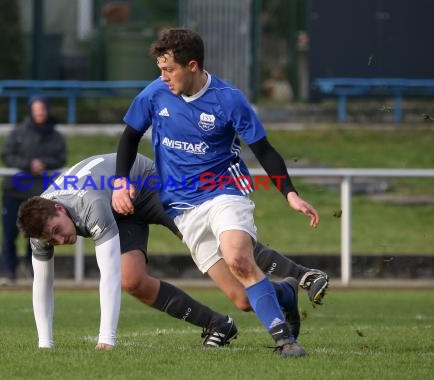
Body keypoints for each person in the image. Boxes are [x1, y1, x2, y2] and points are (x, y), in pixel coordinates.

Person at [112, 28, 320, 358]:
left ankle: (285, 341)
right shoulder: (155, 94)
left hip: (224, 192)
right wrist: (120, 183)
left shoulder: (228, 99)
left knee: (239, 257)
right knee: (242, 299)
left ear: (192, 65)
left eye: (169, 70)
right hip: (182, 208)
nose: (163, 77)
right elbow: (129, 137)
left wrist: (290, 194)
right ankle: (284, 294)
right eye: (160, 70)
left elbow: (264, 150)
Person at [17, 153, 328, 350]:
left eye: (58, 231)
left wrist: (106, 340)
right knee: (135, 282)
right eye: (52, 240)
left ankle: (302, 276)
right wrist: (45, 345)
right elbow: (41, 284)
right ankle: (220, 323)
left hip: (147, 186)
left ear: (59, 208)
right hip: (119, 210)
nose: (60, 240)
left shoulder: (88, 205)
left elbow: (106, 274)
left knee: (226, 246)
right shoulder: (39, 226)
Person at [0, 95, 66, 285]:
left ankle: (34, 272)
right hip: (13, 192)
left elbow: (60, 158)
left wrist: (44, 164)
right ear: (30, 111)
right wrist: (28, 165)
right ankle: (8, 273)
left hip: (38, 195)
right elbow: (5, 155)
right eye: (36, 109)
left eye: (42, 109)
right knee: (9, 234)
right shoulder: (17, 133)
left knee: (36, 234)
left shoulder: (55, 136)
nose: (40, 113)